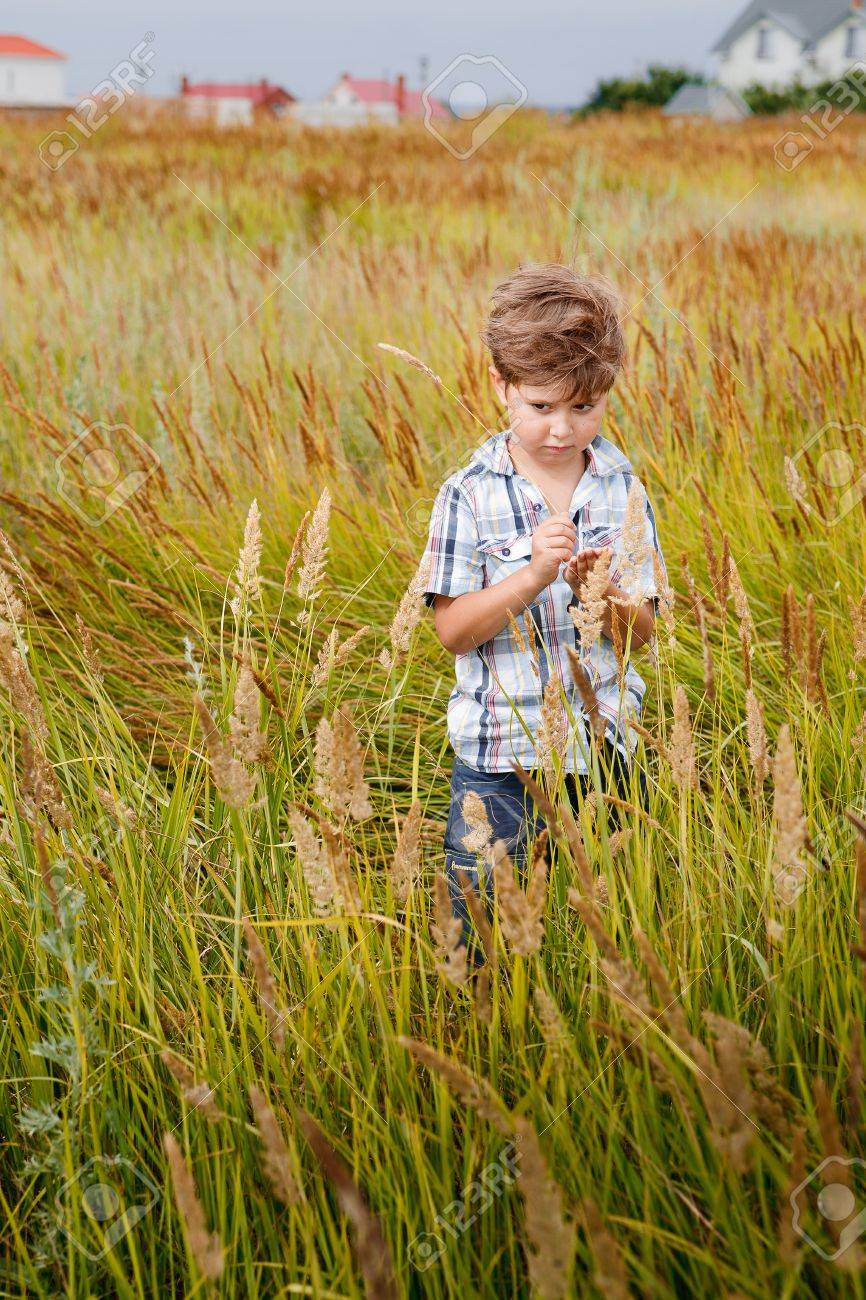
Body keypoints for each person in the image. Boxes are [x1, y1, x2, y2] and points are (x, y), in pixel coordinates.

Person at [421, 263, 668, 947]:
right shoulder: (469, 493)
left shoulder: (623, 490)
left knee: (614, 929)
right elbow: (453, 631)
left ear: (607, 392)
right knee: (481, 934)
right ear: (501, 385)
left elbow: (641, 633)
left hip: (609, 751)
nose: (562, 429)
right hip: (500, 762)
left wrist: (604, 595)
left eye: (584, 407)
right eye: (541, 407)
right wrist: (530, 577)